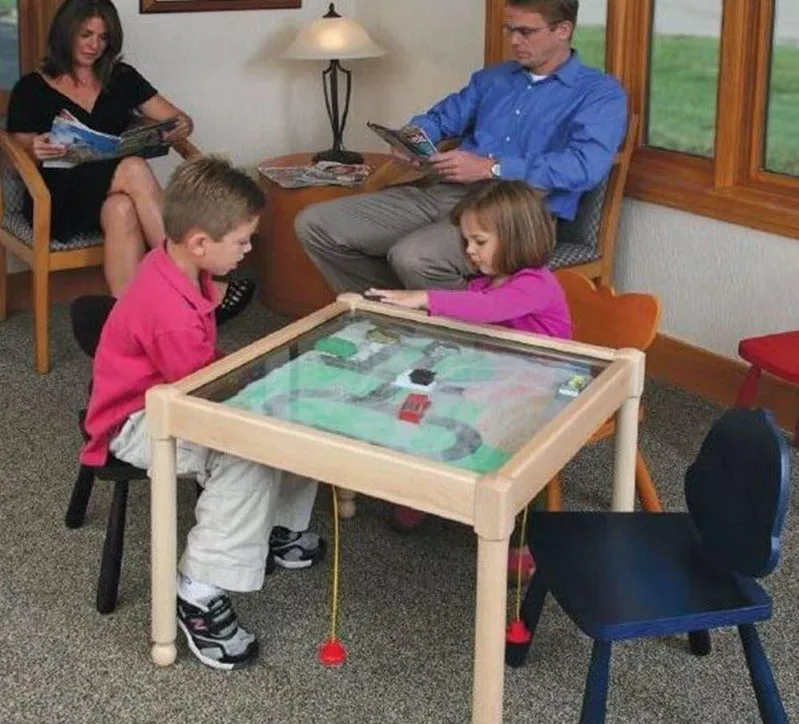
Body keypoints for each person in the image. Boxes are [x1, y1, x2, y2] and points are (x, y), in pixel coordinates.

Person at [80, 156, 325, 670]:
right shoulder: (167, 310)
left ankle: (278, 526)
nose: (248, 250)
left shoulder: (177, 266)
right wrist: (258, 401)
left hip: (171, 391)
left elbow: (199, 375)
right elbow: (199, 396)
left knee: (291, 412)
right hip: (134, 421)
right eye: (241, 242)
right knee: (250, 451)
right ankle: (198, 587)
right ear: (198, 244)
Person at [296, 0, 627, 297]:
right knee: (316, 224)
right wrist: (415, 137)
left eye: (526, 31)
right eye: (510, 29)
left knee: (414, 257)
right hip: (445, 192)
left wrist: (490, 167)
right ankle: (390, 316)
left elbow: (584, 167)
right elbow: (441, 118)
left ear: (563, 30)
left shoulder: (600, 94)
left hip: (520, 213)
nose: (514, 40)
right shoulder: (493, 79)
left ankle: (464, 341)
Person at [367, 180, 571, 575]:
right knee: (423, 404)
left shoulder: (536, 282)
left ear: (516, 236)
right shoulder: (483, 280)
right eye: (466, 242)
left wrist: (425, 297)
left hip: (541, 385)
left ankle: (523, 538)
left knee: (519, 446)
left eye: (478, 242)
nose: (469, 252)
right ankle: (428, 489)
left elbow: (491, 309)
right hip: (497, 373)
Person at [6, 0, 253, 323]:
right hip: (59, 196)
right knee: (134, 168)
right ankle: (195, 284)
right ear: (66, 34)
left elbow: (178, 120)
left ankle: (131, 322)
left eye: (103, 37)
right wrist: (32, 149)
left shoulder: (121, 77)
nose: (95, 45)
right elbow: (13, 155)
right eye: (86, 35)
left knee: (121, 208)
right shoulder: (32, 87)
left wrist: (179, 125)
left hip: (112, 194)